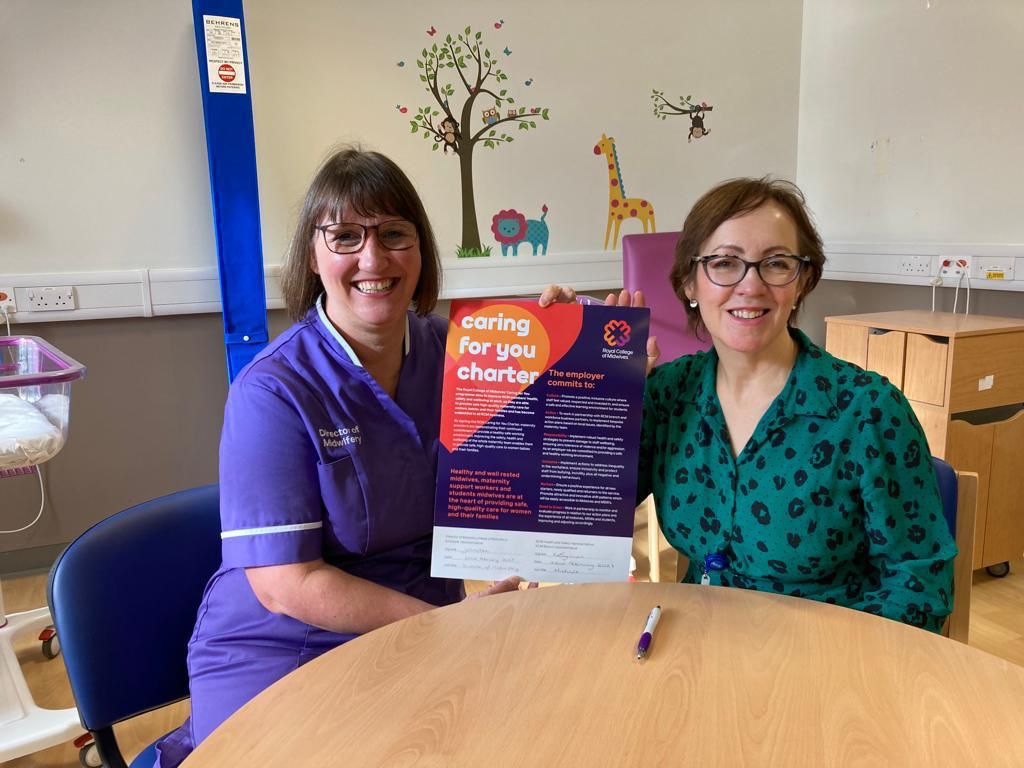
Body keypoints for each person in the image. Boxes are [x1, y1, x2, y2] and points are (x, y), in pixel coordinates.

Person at [155, 148, 566, 767]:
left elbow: (534, 461)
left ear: (420, 250)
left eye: (394, 234)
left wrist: (592, 363)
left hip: (427, 627)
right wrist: (442, 627)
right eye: (345, 236)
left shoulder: (459, 351)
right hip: (286, 645)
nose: (372, 258)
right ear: (314, 256)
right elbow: (285, 582)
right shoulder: (273, 389)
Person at [632, 177, 957, 632]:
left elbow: (919, 587)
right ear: (690, 282)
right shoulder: (667, 394)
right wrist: (583, 393)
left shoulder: (866, 412)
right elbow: (586, 508)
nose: (751, 286)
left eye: (776, 263)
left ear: (803, 281)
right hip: (700, 646)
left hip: (825, 664)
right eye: (725, 263)